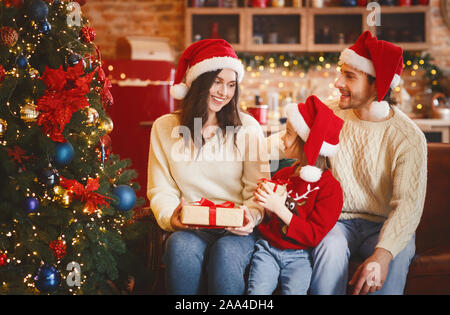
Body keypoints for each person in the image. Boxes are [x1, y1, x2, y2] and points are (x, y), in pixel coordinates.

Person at [147, 39, 270, 294]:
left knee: (226, 254)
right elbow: (161, 189)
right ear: (199, 81)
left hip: (235, 228)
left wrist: (251, 216)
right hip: (191, 226)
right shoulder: (165, 127)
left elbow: (258, 190)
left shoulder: (248, 129)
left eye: (231, 85)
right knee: (181, 248)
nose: (224, 92)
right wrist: (171, 217)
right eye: (217, 82)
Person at [309, 31, 428, 295]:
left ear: (379, 85)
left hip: (385, 225)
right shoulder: (328, 113)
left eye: (350, 76)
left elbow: (408, 206)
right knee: (329, 247)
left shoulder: (408, 137)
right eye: (341, 73)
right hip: (336, 221)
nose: (338, 83)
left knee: (395, 255)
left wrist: (382, 256)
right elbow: (283, 141)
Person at [248, 95, 344, 295]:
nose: (282, 137)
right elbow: (267, 218)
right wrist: (263, 201)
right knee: (257, 291)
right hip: (267, 250)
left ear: (306, 144)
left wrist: (280, 208)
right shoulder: (284, 175)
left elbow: (314, 235)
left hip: (299, 256)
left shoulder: (330, 189)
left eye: (289, 133)